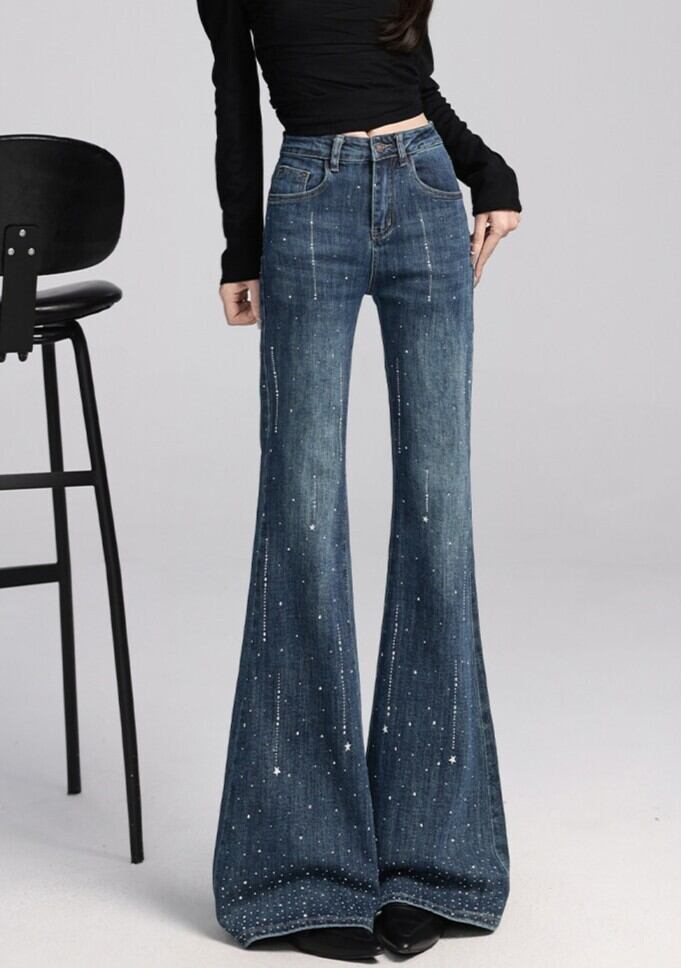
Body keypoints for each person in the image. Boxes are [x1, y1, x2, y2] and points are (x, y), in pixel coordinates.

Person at [196, 0, 521, 959]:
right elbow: (233, 96)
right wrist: (241, 246)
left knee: (439, 515)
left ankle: (436, 864)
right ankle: (301, 872)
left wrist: (485, 169)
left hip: (424, 188)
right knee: (299, 515)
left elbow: (409, 74)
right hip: (310, 200)